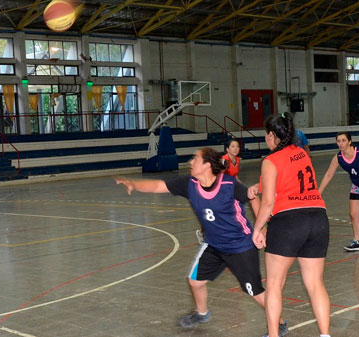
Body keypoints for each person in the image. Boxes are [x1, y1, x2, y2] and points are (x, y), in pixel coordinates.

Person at [115, 147, 288, 335]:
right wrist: (133, 183)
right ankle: (202, 313)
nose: (190, 162)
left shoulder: (229, 185)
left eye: (195, 159)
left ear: (206, 165)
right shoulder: (189, 184)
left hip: (240, 246)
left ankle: (279, 323)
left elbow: (253, 198)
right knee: (195, 281)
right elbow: (159, 186)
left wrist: (260, 227)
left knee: (254, 291)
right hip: (214, 245)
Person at [249, 113, 330, 337]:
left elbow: (267, 204)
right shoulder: (301, 153)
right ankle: (325, 334)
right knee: (315, 284)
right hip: (318, 218)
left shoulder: (270, 161)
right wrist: (260, 184)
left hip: (288, 223)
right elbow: (292, 179)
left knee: (274, 284)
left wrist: (257, 229)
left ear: (272, 136)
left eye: (267, 134)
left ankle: (274, 335)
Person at [195, 138, 242, 244]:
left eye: (237, 146)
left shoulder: (237, 160)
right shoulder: (224, 160)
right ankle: (202, 233)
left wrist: (242, 187)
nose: (236, 148)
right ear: (227, 149)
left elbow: (234, 176)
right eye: (233, 146)